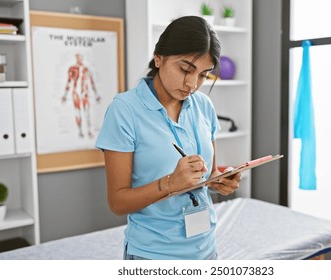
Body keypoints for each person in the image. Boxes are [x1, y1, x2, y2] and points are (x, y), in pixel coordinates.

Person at [95, 16, 240, 260]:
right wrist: (171, 183)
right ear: (158, 58)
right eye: (185, 69)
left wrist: (221, 180)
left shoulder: (204, 105)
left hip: (205, 250)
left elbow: (209, 174)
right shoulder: (124, 110)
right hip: (153, 256)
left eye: (203, 75)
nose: (192, 84)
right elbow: (118, 203)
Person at [62, 53, 101, 138]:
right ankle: (80, 131)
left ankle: (89, 131)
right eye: (78, 57)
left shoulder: (86, 69)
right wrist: (65, 95)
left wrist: (96, 94)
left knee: (87, 112)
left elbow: (91, 82)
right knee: (78, 112)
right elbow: (69, 82)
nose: (79, 59)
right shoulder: (72, 69)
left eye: (81, 57)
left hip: (84, 93)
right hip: (76, 93)